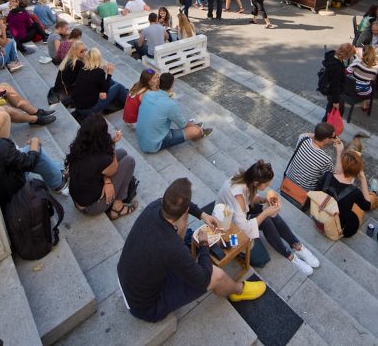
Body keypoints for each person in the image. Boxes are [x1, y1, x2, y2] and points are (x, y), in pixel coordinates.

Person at [117, 178, 266, 323]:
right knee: (216, 275)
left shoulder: (154, 206)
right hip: (145, 307)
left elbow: (182, 206)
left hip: (127, 280)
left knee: (180, 243)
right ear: (184, 213)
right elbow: (203, 279)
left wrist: (203, 215)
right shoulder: (172, 247)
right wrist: (204, 244)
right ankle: (238, 290)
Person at [218, 161, 319, 275]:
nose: (268, 186)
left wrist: (262, 200)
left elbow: (249, 196)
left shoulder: (247, 177)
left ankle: (296, 245)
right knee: (265, 225)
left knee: (269, 213)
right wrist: (265, 213)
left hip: (238, 213)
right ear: (256, 182)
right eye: (266, 185)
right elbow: (243, 227)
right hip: (228, 226)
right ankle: (290, 256)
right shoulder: (238, 197)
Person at [67, 114, 138, 219]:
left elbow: (97, 168)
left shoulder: (79, 147)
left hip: (78, 199)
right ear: (101, 136)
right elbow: (112, 169)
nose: (108, 133)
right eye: (105, 131)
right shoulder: (103, 159)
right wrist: (112, 145)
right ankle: (117, 207)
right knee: (129, 161)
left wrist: (107, 181)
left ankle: (113, 196)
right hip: (92, 206)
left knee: (122, 152)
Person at [137, 73, 211, 152]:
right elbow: (183, 125)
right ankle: (200, 132)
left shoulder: (148, 94)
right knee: (196, 131)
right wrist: (195, 128)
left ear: (158, 83)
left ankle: (195, 127)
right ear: (172, 85)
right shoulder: (170, 104)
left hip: (141, 137)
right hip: (153, 144)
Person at [320, 151, 378, 238]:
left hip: (320, 219)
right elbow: (367, 205)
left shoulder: (327, 176)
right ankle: (375, 195)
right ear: (357, 172)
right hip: (337, 230)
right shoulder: (354, 192)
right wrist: (363, 178)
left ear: (341, 164)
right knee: (365, 203)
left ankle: (374, 194)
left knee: (353, 202)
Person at [284, 122, 343, 191]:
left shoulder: (302, 139)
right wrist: (339, 152)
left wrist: (319, 134)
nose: (334, 138)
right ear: (326, 139)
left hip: (287, 183)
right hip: (304, 194)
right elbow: (338, 173)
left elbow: (303, 134)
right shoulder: (324, 159)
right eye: (333, 137)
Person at [71, 48, 128, 117]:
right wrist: (109, 73)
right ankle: (130, 102)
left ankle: (125, 92)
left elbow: (97, 81)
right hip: (89, 110)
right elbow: (104, 90)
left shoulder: (83, 68)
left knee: (111, 82)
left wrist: (103, 72)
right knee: (118, 87)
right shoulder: (99, 72)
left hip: (79, 106)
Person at [321, 43, 355, 121]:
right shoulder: (337, 67)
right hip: (333, 92)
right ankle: (326, 127)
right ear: (345, 55)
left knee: (331, 109)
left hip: (330, 89)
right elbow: (335, 86)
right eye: (349, 56)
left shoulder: (333, 55)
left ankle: (326, 124)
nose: (350, 57)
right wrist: (335, 101)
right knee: (333, 110)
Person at [347, 45, 378, 111]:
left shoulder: (357, 62)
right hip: (364, 91)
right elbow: (372, 80)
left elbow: (347, 71)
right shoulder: (375, 70)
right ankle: (365, 104)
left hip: (350, 88)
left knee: (356, 78)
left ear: (363, 53)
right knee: (370, 84)